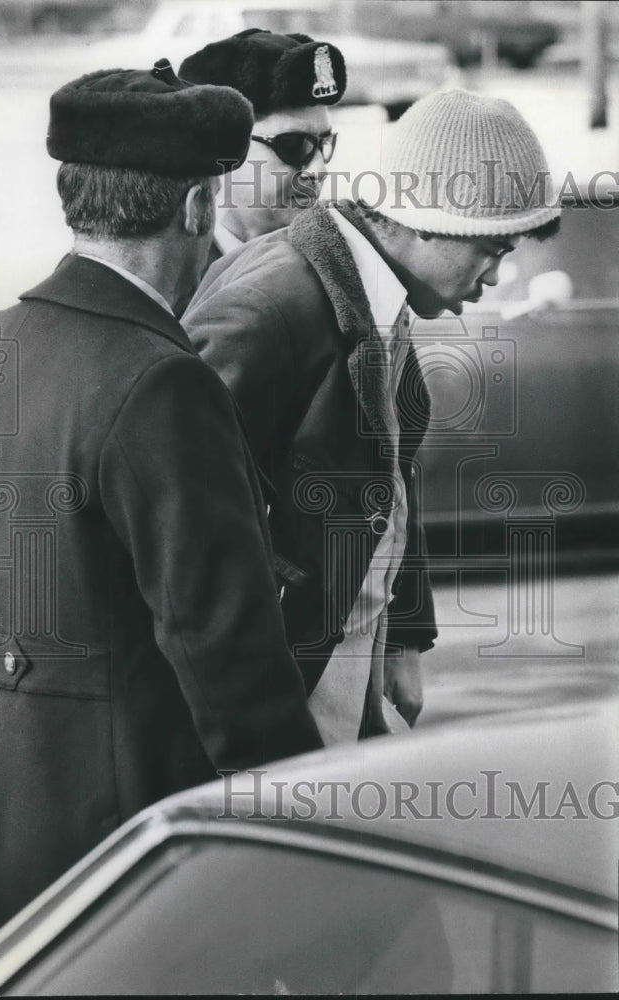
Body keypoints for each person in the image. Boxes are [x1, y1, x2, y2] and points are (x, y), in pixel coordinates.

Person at [0, 59, 323, 973]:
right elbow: (229, 663)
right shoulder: (164, 384)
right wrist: (317, 821)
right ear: (195, 208)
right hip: (122, 838)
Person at [183, 89, 561, 745]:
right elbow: (185, 538)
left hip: (336, 685)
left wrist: (395, 640)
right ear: (422, 221)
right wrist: (253, 728)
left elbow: (387, 483)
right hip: (270, 711)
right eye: (492, 249)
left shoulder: (372, 294)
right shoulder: (274, 305)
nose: (496, 276)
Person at [178, 28, 346, 267]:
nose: (319, 170)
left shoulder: (335, 269)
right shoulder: (178, 284)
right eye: (295, 146)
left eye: (325, 143)